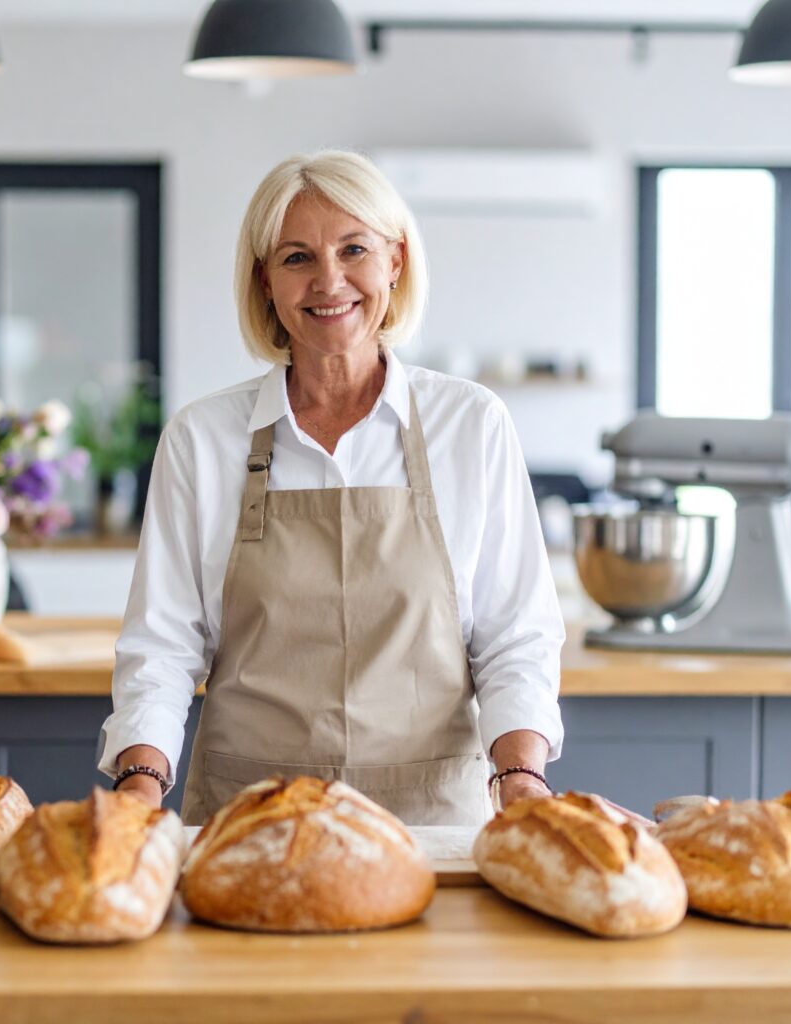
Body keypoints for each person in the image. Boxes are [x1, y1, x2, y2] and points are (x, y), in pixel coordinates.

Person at [98, 150, 564, 826]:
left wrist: (521, 777)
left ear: (395, 261)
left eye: (354, 250)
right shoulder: (203, 437)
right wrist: (139, 787)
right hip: (248, 819)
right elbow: (163, 647)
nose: (329, 280)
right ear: (264, 280)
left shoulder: (471, 424)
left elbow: (514, 637)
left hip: (431, 825)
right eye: (296, 258)